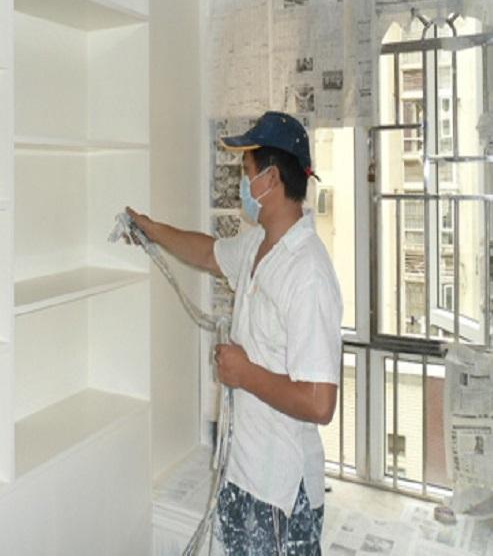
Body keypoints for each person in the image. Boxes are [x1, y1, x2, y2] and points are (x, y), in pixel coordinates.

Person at [128, 111, 342, 555]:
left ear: (271, 178)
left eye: (247, 172)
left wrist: (245, 374)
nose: (244, 183)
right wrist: (152, 230)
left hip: (281, 492)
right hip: (243, 473)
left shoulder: (308, 273)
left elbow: (320, 402)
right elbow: (208, 253)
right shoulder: (259, 245)